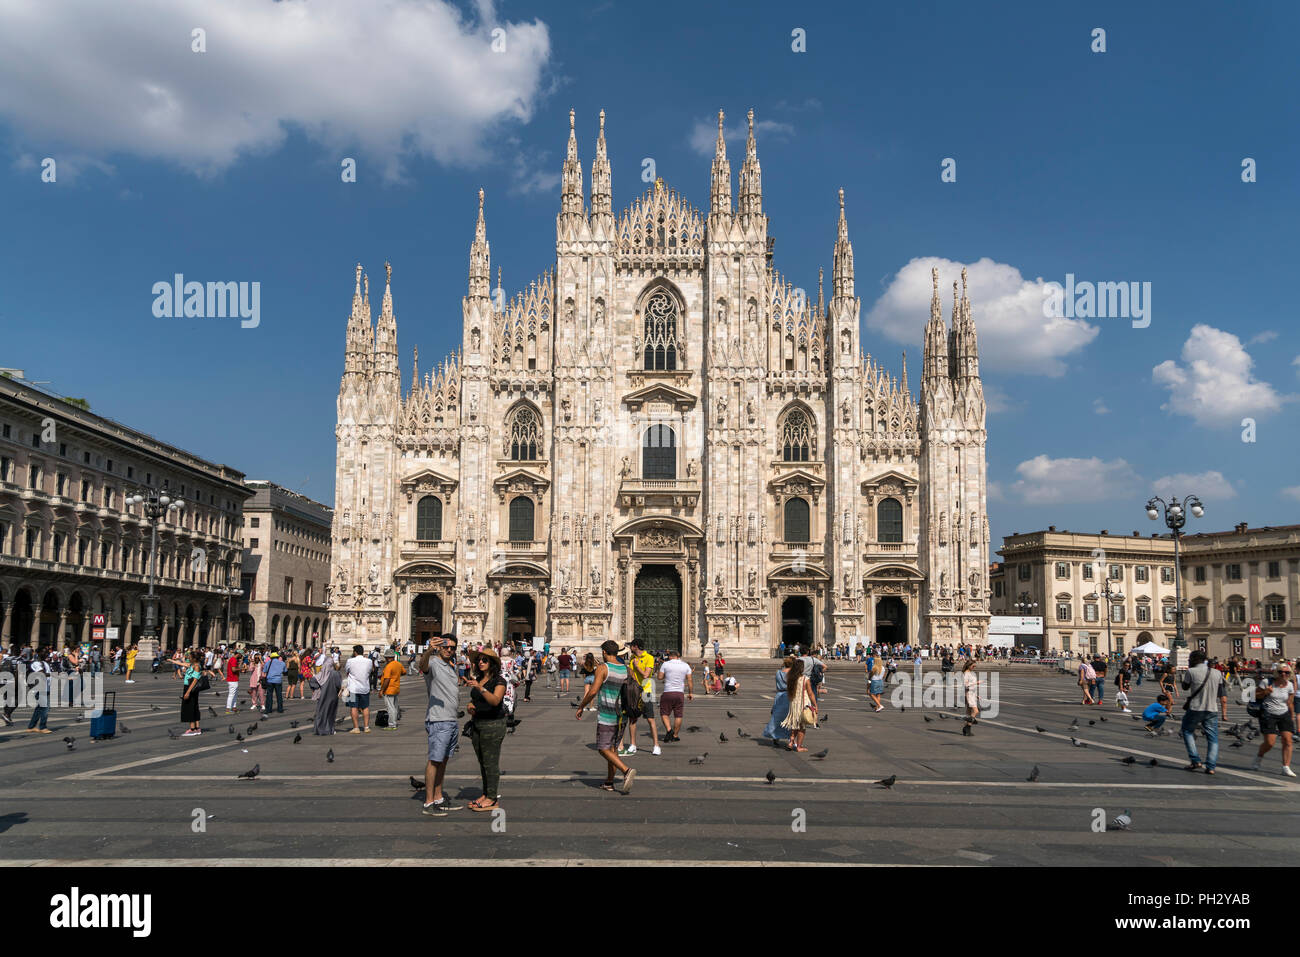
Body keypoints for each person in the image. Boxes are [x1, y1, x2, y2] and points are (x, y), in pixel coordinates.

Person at [576, 639, 636, 794]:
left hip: (607, 715)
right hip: (622, 715)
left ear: (604, 652)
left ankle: (626, 770)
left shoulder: (603, 668)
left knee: (603, 748)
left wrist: (582, 706)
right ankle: (609, 782)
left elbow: (593, 691)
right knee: (613, 750)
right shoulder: (626, 668)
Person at [417, 634, 464, 815]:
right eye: (446, 647)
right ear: (440, 647)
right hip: (439, 719)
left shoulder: (451, 665)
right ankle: (429, 802)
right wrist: (429, 650)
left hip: (451, 719)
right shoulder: (434, 662)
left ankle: (438, 797)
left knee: (443, 761)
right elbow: (423, 667)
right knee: (434, 760)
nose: (449, 650)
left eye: (452, 647)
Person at [465, 646, 508, 811]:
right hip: (478, 723)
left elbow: (495, 701)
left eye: (484, 660)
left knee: (491, 763)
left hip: (493, 725)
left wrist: (479, 688)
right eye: (478, 660)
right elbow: (475, 700)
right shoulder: (479, 679)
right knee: (483, 762)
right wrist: (470, 705)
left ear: (492, 663)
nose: (481, 663)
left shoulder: (499, 681)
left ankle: (492, 798)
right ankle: (485, 793)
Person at [1179, 650, 1226, 775]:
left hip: (1195, 708)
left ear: (1193, 660)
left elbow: (1185, 687)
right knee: (1213, 738)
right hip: (1212, 708)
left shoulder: (1191, 671)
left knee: (1187, 731)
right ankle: (1210, 767)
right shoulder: (1217, 673)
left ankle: (1195, 760)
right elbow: (1221, 692)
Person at [1249, 663, 1295, 777]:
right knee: (1270, 742)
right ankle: (1259, 756)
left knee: (1288, 741)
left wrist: (1292, 715)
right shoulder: (1266, 682)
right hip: (1268, 713)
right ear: (1276, 672)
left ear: (1290, 674)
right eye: (1281, 672)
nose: (1283, 674)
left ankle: (1286, 767)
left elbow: (1289, 702)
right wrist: (1265, 692)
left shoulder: (1290, 685)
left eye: (1286, 672)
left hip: (1284, 713)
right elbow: (1253, 695)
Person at [621, 638, 661, 757]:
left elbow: (645, 675)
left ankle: (656, 745)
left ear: (636, 646)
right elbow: (632, 675)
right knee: (632, 718)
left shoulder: (649, 658)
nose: (630, 648)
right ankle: (633, 744)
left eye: (631, 646)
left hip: (646, 691)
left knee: (650, 719)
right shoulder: (632, 658)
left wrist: (637, 666)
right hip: (634, 691)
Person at [656, 649, 693, 742]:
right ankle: (675, 735)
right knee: (678, 715)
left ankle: (669, 730)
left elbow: (659, 677)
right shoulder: (686, 665)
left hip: (668, 692)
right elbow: (690, 681)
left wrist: (666, 675)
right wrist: (690, 693)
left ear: (670, 656)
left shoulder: (665, 664)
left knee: (664, 713)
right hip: (679, 693)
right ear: (678, 656)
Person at [782, 658, 816, 751]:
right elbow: (810, 693)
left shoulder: (790, 678)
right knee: (802, 726)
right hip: (803, 704)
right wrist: (815, 705)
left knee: (795, 724)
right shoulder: (805, 679)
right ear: (801, 668)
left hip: (793, 704)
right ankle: (799, 746)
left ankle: (791, 741)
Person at [343, 644, 373, 733]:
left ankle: (356, 728)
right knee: (365, 707)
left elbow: (347, 671)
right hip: (364, 687)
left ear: (355, 652)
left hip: (353, 688)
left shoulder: (350, 661)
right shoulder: (369, 661)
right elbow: (370, 671)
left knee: (353, 707)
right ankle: (366, 727)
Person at [763, 657, 793, 745]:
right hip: (789, 696)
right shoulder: (792, 674)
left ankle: (775, 735)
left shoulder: (778, 673)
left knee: (777, 717)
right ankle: (790, 738)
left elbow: (777, 684)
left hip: (779, 695)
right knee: (789, 717)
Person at [312, 652, 342, 736]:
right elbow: (339, 684)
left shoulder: (320, 674)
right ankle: (329, 729)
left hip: (322, 697)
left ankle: (319, 729)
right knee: (330, 713)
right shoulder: (335, 673)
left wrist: (316, 689)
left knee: (321, 712)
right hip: (332, 696)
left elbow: (312, 681)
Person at [25, 649, 52, 733]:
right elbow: (42, 673)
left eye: (47, 653)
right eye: (44, 652)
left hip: (46, 688)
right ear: (38, 654)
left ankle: (31, 727)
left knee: (39, 708)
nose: (46, 654)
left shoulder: (46, 663)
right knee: (45, 708)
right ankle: (43, 727)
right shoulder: (35, 663)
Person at [180, 651, 205, 736]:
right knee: (194, 707)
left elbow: (195, 680)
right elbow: (183, 664)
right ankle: (197, 728)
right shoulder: (192, 665)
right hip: (190, 688)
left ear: (194, 659)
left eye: (190, 657)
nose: (188, 658)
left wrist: (187, 692)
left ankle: (192, 729)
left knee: (189, 707)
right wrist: (171, 661)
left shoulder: (197, 666)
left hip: (190, 688)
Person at [380, 650, 405, 730]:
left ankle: (392, 724)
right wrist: (396, 675)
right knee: (394, 706)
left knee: (390, 708)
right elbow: (404, 672)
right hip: (396, 688)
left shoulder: (389, 666)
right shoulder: (398, 664)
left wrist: (382, 690)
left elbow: (387, 679)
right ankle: (394, 722)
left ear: (387, 658)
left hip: (389, 689)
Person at [262, 650, 286, 715]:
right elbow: (285, 671)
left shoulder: (268, 662)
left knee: (269, 695)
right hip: (278, 680)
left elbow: (264, 671)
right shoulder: (282, 663)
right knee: (279, 695)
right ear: (278, 657)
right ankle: (280, 709)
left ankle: (269, 709)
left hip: (270, 680)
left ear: (271, 657)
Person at [961, 659, 979, 736]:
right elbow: (965, 685)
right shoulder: (966, 674)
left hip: (972, 693)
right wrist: (976, 682)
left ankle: (966, 729)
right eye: (973, 666)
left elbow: (972, 685)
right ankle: (967, 727)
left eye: (975, 666)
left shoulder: (971, 673)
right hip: (968, 694)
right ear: (969, 666)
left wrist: (976, 695)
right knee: (975, 711)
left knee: (968, 712)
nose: (974, 667)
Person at [224, 649, 241, 713]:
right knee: (231, 694)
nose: (241, 656)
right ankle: (228, 709)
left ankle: (234, 707)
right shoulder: (233, 660)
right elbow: (233, 669)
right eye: (241, 655)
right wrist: (240, 669)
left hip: (233, 679)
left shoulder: (233, 659)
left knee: (235, 694)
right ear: (238, 654)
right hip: (232, 679)